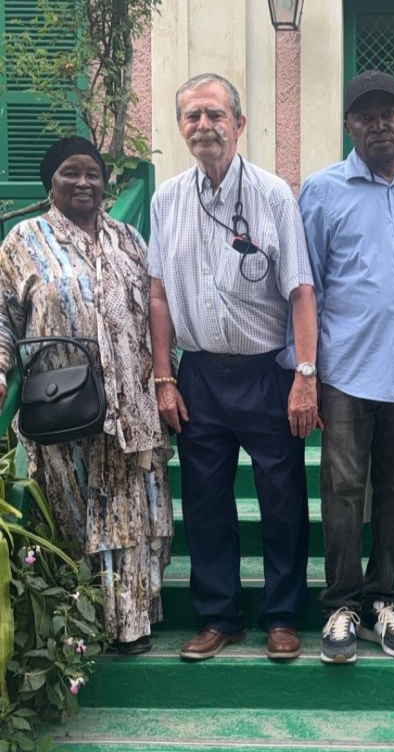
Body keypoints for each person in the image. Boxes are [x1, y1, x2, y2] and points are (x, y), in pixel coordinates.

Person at [148, 72, 319, 663]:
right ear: (181, 127)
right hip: (198, 376)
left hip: (266, 374)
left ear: (239, 124)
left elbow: (301, 291)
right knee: (204, 502)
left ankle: (282, 615)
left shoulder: (273, 195)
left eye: (215, 115)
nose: (204, 126)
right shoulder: (167, 198)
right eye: (192, 116)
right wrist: (164, 377)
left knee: (282, 500)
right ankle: (219, 615)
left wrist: (304, 376)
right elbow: (158, 296)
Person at [293, 70, 394, 664]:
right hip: (346, 371)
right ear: (348, 125)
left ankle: (384, 597)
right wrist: (305, 371)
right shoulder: (322, 191)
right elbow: (306, 285)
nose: (379, 124)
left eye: (390, 113)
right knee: (342, 488)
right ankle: (341, 604)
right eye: (366, 115)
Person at [0, 137, 172, 654]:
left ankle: (132, 624)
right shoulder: (23, 240)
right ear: (49, 183)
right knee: (73, 513)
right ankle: (78, 625)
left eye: (93, 174)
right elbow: (4, 317)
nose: (83, 183)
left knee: (130, 516)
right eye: (69, 173)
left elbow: (156, 311)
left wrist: (166, 379)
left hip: (130, 408)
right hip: (62, 406)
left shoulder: (129, 238)